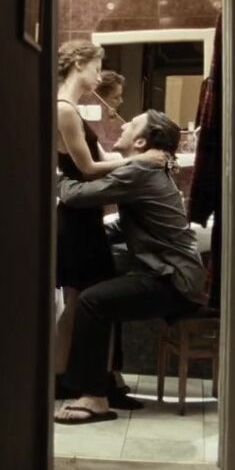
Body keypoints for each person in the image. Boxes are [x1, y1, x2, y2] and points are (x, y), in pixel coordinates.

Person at [53, 109, 209, 425]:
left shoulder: (140, 170)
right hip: (176, 277)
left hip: (173, 280)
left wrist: (58, 174)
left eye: (133, 124)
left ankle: (94, 398)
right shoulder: (146, 170)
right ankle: (106, 384)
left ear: (140, 142)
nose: (124, 125)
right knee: (102, 298)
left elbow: (78, 195)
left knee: (91, 301)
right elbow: (134, 225)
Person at [54, 42, 163, 404]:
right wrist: (141, 160)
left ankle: (75, 378)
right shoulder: (64, 109)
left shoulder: (72, 110)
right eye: (96, 67)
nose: (99, 75)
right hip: (77, 220)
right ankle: (73, 379)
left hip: (85, 216)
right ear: (79, 64)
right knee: (84, 302)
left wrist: (134, 154)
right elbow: (88, 169)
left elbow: (100, 160)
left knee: (79, 302)